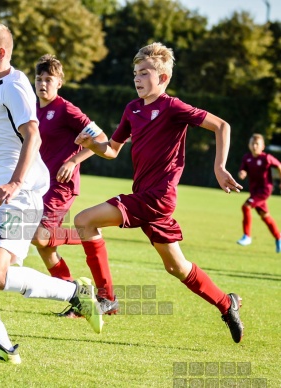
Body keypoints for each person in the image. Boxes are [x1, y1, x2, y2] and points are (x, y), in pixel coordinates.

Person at [0, 22, 102, 365]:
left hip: (22, 193)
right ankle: (2, 347)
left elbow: (34, 137)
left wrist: (14, 183)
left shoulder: (14, 86)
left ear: (1, 53)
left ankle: (75, 292)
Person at [74, 42, 245, 343]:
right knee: (176, 267)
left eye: (144, 73)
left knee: (85, 220)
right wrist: (91, 146)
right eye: (135, 73)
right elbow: (112, 150)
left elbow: (222, 125)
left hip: (158, 198)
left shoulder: (173, 107)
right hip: (145, 196)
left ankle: (106, 297)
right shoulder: (132, 109)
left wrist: (219, 167)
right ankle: (226, 303)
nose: (137, 78)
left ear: (163, 78)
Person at [31, 54, 113, 318]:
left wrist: (74, 159)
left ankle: (89, 233)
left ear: (59, 83)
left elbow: (102, 138)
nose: (43, 84)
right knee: (44, 247)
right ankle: (77, 297)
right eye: (39, 79)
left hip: (61, 186)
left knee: (39, 237)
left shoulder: (66, 109)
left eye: (49, 79)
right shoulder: (33, 110)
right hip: (39, 185)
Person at [236, 133, 281, 252]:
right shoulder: (247, 158)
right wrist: (242, 173)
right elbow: (243, 169)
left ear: (263, 146)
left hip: (264, 190)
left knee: (246, 207)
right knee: (265, 216)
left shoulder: (266, 158)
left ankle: (247, 236)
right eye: (252, 143)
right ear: (249, 145)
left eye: (257, 144)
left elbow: (279, 165)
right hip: (254, 191)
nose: (254, 146)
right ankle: (279, 237)